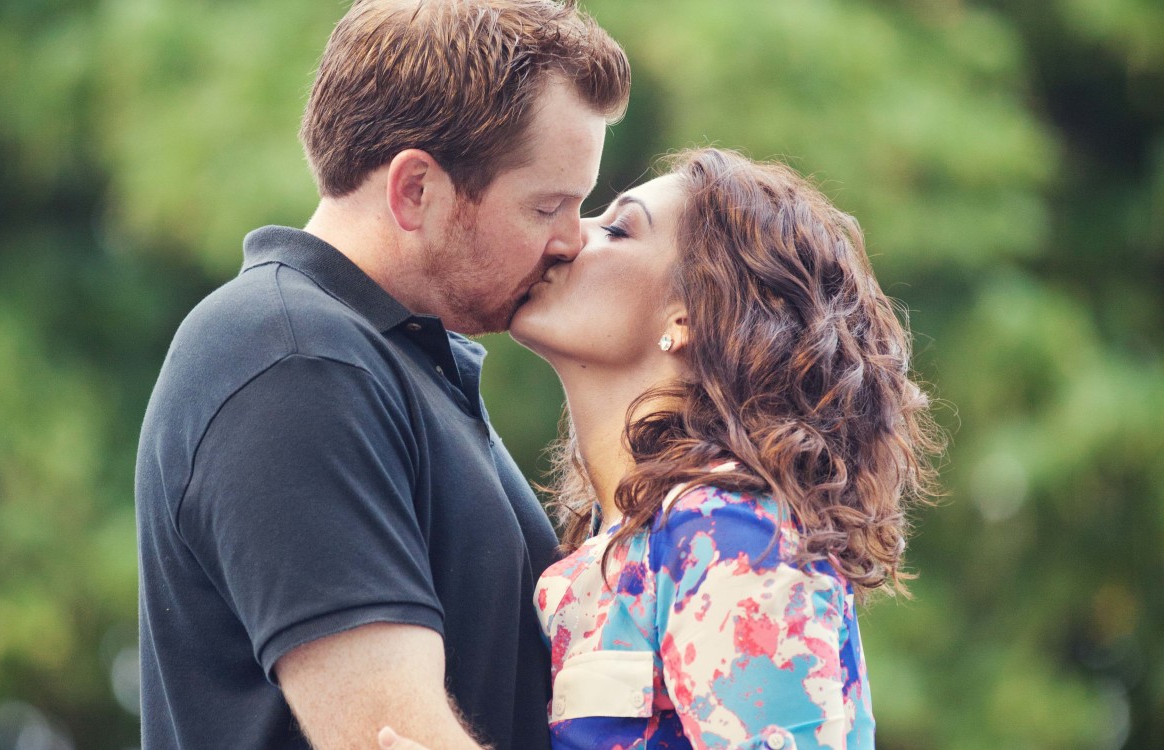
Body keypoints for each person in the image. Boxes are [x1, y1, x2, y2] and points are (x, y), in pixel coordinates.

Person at [133, 0, 629, 748]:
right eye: (547, 206)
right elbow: (393, 736)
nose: (572, 240)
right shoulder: (294, 360)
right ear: (414, 191)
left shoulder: (389, 358)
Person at [381, 148, 941, 750]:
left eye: (618, 228)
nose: (569, 235)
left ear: (690, 315)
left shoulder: (730, 531)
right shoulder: (616, 545)